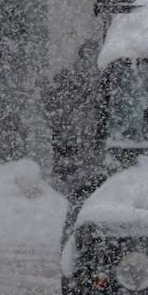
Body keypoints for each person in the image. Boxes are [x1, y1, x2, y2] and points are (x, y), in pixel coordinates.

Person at [42, 38, 104, 201]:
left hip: (71, 142)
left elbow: (50, 108)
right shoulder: (102, 78)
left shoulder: (67, 77)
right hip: (79, 143)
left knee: (71, 186)